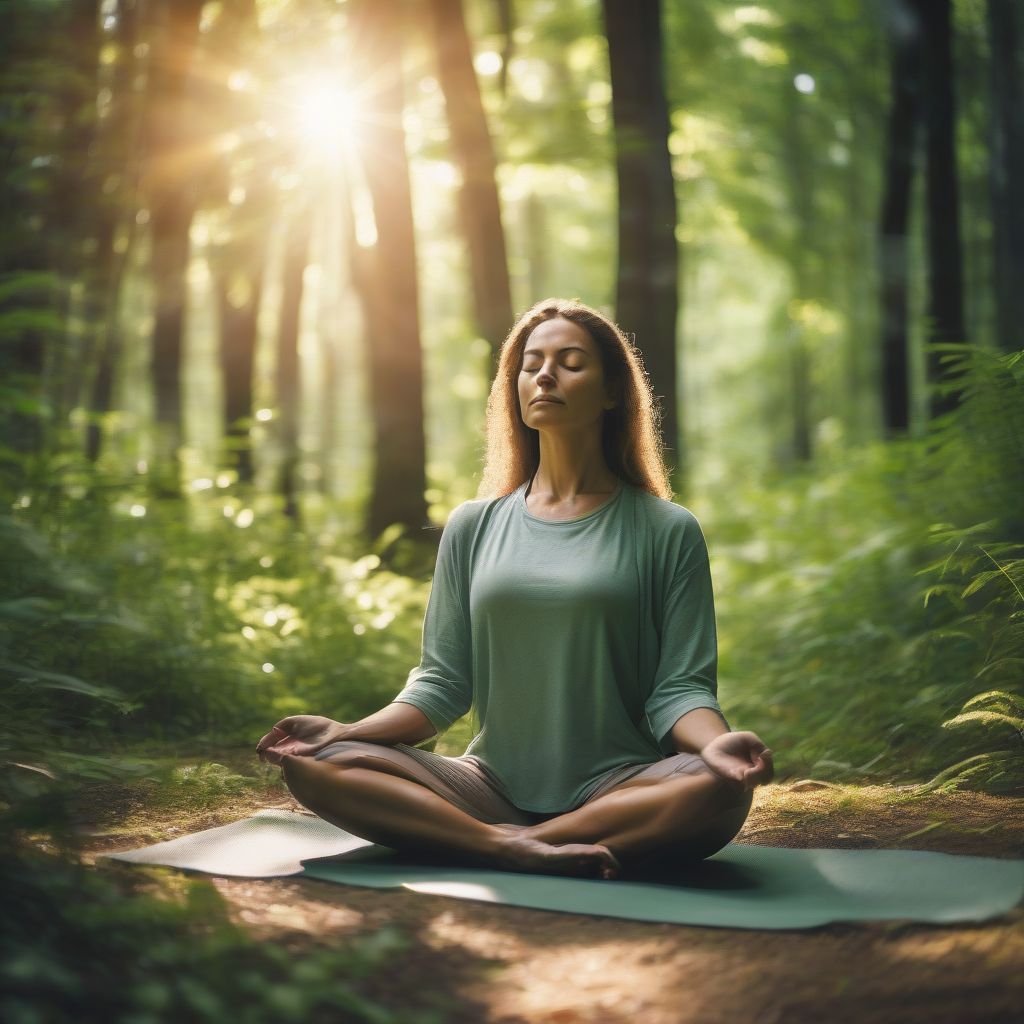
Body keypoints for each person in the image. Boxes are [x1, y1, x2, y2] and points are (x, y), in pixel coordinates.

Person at [256, 297, 773, 880]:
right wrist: (347, 731)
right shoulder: (474, 525)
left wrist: (717, 746)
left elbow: (678, 691)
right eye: (532, 363)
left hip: (622, 785)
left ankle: (509, 844)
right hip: (489, 784)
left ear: (612, 394)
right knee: (319, 763)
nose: (545, 374)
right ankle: (504, 842)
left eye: (571, 362)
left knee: (717, 786)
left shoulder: (667, 530)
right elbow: (441, 685)